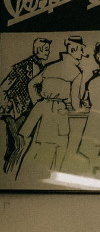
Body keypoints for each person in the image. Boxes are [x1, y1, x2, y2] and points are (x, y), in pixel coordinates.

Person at [15, 36, 87, 181]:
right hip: (58, 113)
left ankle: (26, 179)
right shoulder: (76, 72)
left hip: (42, 111)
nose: (82, 54)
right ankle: (48, 181)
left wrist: (39, 103)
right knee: (59, 151)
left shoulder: (50, 66)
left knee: (36, 149)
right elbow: (75, 103)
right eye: (80, 50)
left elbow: (31, 85)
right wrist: (83, 108)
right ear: (73, 50)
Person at [0, 37, 51, 173]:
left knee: (22, 146)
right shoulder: (21, 67)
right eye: (46, 49)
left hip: (29, 113)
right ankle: (8, 175)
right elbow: (3, 88)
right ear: (38, 50)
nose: (48, 52)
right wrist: (6, 108)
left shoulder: (43, 68)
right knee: (17, 145)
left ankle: (12, 174)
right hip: (14, 113)